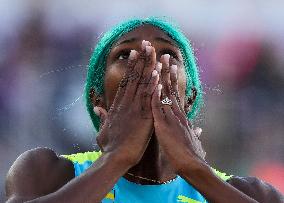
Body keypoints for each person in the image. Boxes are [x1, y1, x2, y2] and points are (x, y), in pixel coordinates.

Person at [5, 17, 283, 203]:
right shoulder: (46, 173)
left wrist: (196, 171)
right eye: (126, 56)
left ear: (189, 99)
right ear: (97, 99)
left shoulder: (252, 193)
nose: (150, 66)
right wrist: (116, 159)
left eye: (168, 55)